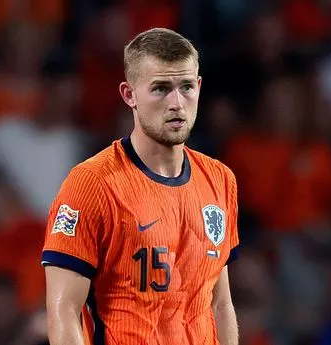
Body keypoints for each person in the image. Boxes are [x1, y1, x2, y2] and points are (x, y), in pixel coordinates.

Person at [41, 27, 240, 345]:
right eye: (161, 88)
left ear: (199, 87)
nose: (177, 102)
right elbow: (64, 308)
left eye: (186, 86)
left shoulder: (220, 179)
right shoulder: (92, 184)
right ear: (129, 94)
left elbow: (220, 303)